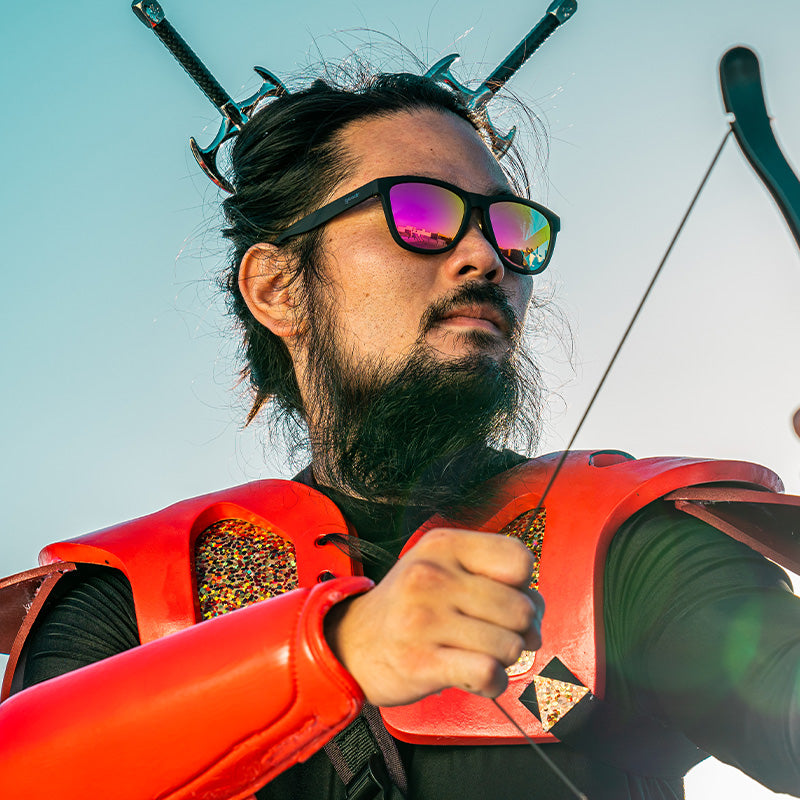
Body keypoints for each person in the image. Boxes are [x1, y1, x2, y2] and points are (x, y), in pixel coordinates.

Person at [0, 71, 799, 800]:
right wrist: (334, 655)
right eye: (420, 213)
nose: (486, 257)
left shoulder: (629, 543)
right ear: (277, 288)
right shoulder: (138, 593)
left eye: (511, 229)